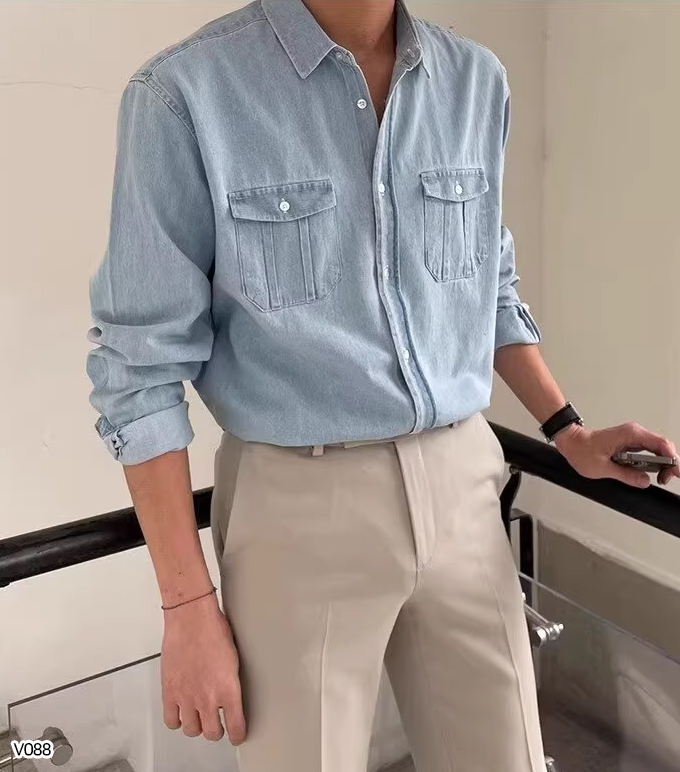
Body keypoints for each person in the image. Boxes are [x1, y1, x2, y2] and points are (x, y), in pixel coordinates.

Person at [86, 1, 679, 770]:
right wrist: (187, 605)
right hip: (298, 507)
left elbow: (486, 287)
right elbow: (140, 371)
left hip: (466, 487)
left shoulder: (474, 80)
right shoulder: (185, 94)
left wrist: (567, 429)